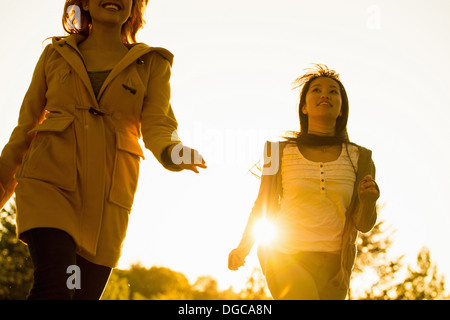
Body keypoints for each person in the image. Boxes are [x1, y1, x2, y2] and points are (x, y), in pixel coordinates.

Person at [0, 0, 206, 300]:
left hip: (108, 201)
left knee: (79, 295)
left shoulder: (151, 64)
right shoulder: (55, 55)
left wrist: (173, 151)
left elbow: (158, 123)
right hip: (48, 184)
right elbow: (24, 129)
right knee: (55, 287)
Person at [228, 64, 380, 300]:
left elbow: (363, 223)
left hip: (335, 269)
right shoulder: (275, 151)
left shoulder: (361, 157)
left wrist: (369, 201)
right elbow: (262, 206)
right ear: (304, 107)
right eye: (316, 90)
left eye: (333, 92)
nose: (324, 95)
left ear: (341, 109)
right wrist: (242, 247)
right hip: (284, 257)